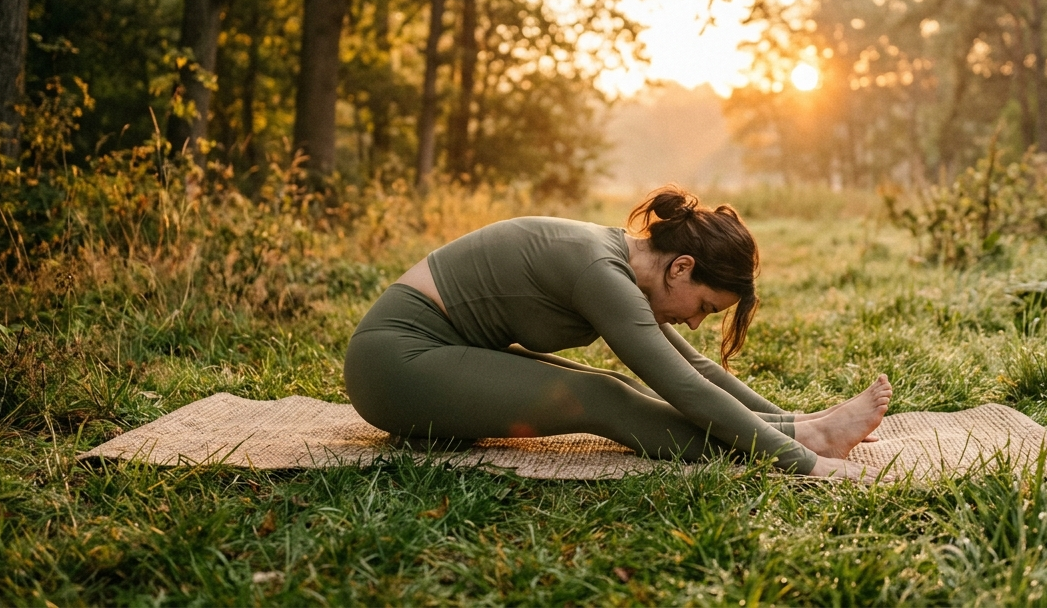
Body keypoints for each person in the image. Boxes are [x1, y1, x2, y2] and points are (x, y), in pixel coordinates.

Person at [343, 186, 893, 479]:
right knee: (603, 396)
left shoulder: (619, 264)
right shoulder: (598, 272)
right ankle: (801, 442)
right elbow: (683, 386)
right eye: (703, 305)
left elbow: (696, 369)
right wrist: (802, 459)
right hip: (396, 365)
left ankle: (802, 432)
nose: (698, 322)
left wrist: (799, 421)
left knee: (597, 384)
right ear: (680, 267)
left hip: (436, 356)